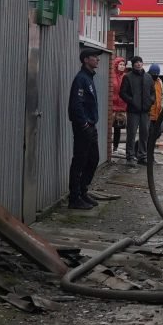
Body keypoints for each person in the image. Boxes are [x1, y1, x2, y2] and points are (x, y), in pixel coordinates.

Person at [67, 50, 102, 211]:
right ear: (86, 59)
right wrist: (84, 125)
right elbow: (76, 105)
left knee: (93, 159)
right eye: (95, 57)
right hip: (84, 127)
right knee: (80, 161)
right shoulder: (81, 79)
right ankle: (74, 198)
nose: (98, 60)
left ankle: (83, 191)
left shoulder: (89, 77)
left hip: (90, 126)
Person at [118, 57, 156, 168]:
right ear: (133, 64)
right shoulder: (128, 77)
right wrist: (132, 101)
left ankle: (142, 157)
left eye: (140, 62)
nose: (138, 64)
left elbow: (152, 92)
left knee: (145, 134)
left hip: (145, 111)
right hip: (133, 111)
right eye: (136, 63)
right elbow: (122, 93)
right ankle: (130, 157)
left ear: (142, 64)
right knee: (131, 134)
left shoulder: (148, 77)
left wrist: (151, 101)